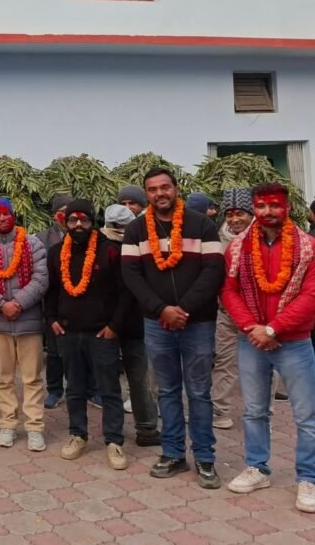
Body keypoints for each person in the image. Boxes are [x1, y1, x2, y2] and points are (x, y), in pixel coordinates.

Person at [122, 169, 225, 489]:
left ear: (176, 188)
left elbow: (213, 271)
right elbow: (131, 276)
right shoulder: (136, 229)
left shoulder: (202, 224)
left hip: (198, 322)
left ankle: (205, 457)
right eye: (152, 189)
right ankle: (173, 453)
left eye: (165, 187)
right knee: (166, 390)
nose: (159, 193)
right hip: (156, 323)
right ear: (147, 194)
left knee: (199, 391)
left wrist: (184, 309)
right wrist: (162, 310)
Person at [222, 183, 315, 513]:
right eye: (261, 206)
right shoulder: (238, 248)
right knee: (254, 410)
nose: (267, 212)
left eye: (274, 205)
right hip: (251, 341)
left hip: (295, 342)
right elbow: (228, 291)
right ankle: (257, 468)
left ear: (286, 207)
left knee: (307, 416)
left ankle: (309, 478)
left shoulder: (308, 247)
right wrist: (252, 328)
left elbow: (311, 295)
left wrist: (273, 328)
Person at [46, 199, 129, 470]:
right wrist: (52, 320)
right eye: (73, 220)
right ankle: (77, 435)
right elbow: (51, 291)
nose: (78, 224)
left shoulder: (110, 251)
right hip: (68, 332)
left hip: (102, 333)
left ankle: (114, 440)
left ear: (93, 222)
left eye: (84, 219)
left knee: (109, 388)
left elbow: (125, 293)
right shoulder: (56, 252)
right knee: (75, 387)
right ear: (66, 222)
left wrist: (114, 326)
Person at [0, 197, 49, 452]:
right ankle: (8, 424)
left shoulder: (32, 243)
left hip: (28, 321)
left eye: (6, 213)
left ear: (14, 215)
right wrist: (1, 305)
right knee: (3, 378)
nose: (2, 218)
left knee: (32, 377)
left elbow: (41, 278)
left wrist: (19, 303)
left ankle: (35, 427)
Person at [102, 205, 161, 447]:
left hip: (121, 324)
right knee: (135, 378)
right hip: (118, 324)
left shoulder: (106, 246)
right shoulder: (135, 244)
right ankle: (142, 429)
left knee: (128, 379)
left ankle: (129, 431)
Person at [212, 188, 254, 430]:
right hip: (227, 314)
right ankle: (220, 411)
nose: (234, 219)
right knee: (224, 363)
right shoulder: (219, 239)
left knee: (262, 366)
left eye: (240, 213)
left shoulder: (265, 237)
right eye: (229, 214)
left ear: (251, 213)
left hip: (259, 318)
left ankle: (262, 414)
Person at [35, 194, 74, 411]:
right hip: (53, 303)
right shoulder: (42, 239)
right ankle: (55, 390)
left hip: (80, 305)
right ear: (54, 216)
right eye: (62, 212)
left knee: (82, 351)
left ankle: (87, 389)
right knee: (54, 351)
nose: (67, 217)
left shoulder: (87, 235)